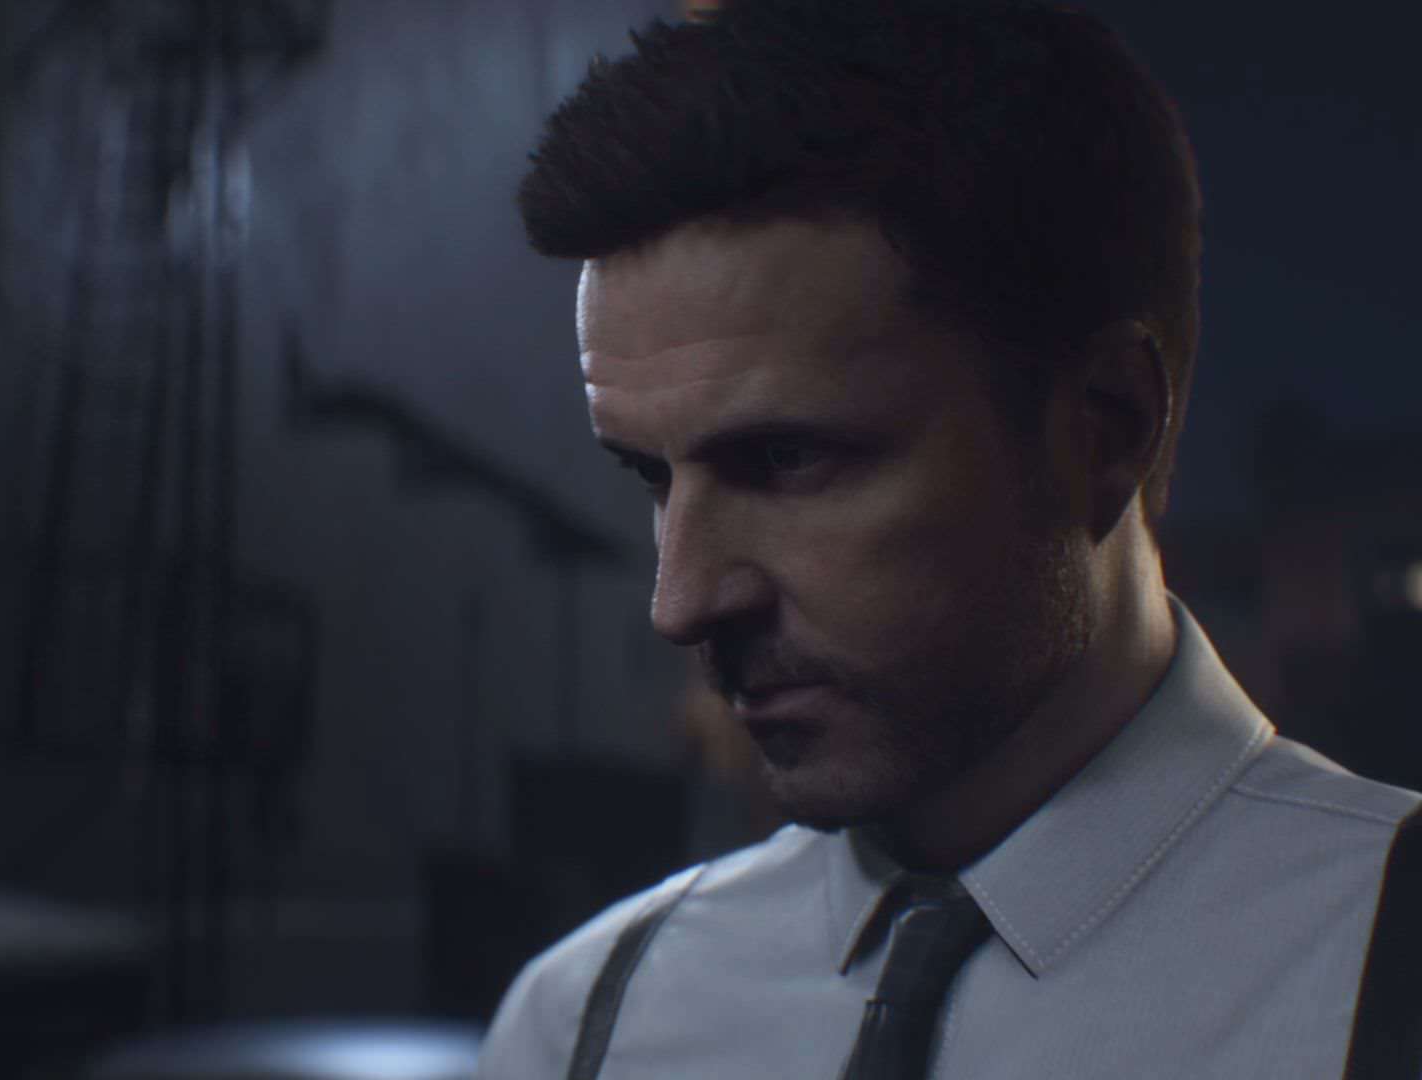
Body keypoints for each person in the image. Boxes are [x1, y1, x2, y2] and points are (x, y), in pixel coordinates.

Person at [479, 0, 1422, 1076]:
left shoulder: (1385, 967)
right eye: (653, 476)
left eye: (787, 460)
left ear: (1106, 429)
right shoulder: (587, 1024)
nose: (682, 600)